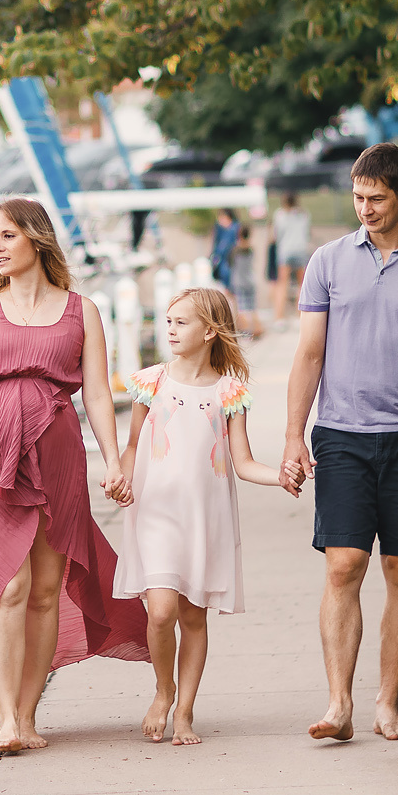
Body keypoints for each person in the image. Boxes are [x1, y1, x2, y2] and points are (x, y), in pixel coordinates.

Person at [0, 197, 149, 751]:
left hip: (59, 450)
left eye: (5, 237)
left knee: (46, 589)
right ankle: (3, 719)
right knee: (9, 585)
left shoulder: (81, 310)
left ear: (36, 239)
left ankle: (26, 717)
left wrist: (113, 461)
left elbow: (97, 391)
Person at [278, 143, 398, 743]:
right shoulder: (328, 263)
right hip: (341, 436)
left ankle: (387, 703)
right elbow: (310, 353)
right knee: (344, 565)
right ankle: (339, 704)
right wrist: (293, 436)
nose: (364, 208)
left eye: (376, 198)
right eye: (358, 197)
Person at [115, 286, 282, 745]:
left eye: (180, 322)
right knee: (161, 610)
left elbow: (243, 462)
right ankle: (163, 690)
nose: (170, 329)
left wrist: (281, 477)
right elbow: (132, 446)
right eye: (167, 321)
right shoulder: (151, 382)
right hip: (155, 512)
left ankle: (185, 713)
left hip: (204, 518)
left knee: (193, 616)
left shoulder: (229, 392)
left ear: (209, 330)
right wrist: (120, 477)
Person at [272, 196, 314, 323]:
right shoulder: (304, 214)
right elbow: (307, 233)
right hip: (301, 249)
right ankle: (299, 315)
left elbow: (276, 235)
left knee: (282, 284)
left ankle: (280, 317)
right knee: (301, 285)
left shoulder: (279, 215)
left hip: (285, 251)